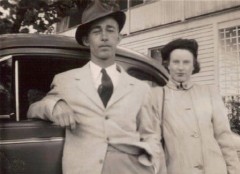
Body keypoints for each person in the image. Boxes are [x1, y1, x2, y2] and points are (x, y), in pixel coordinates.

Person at [27, 1, 165, 174]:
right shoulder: (66, 81)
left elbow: (151, 136)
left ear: (118, 38)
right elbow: (33, 109)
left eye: (110, 30)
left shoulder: (140, 88)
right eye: (97, 31)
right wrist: (55, 104)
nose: (104, 37)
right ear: (86, 39)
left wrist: (151, 165)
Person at [150, 38, 240, 174]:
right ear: (167, 64)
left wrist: (234, 171)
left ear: (193, 66)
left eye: (186, 62)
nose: (181, 67)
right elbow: (154, 145)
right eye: (176, 62)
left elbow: (224, 137)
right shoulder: (157, 96)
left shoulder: (209, 93)